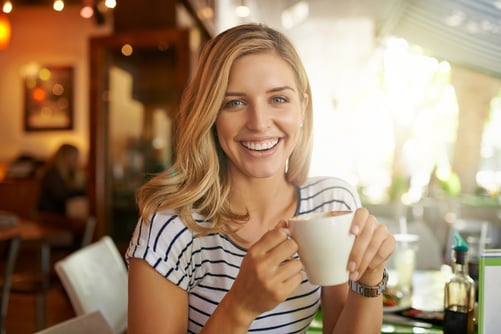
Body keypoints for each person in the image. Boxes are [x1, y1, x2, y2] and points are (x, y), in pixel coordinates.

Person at [126, 23, 396, 333]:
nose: (259, 123)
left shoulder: (332, 204)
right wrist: (241, 306)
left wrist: (370, 279)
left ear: (302, 108)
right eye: (235, 103)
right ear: (211, 115)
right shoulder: (172, 225)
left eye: (278, 99)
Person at [37, 143, 87, 237]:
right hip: (51, 217)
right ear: (64, 157)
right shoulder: (52, 174)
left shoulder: (71, 174)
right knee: (85, 224)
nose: (77, 160)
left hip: (64, 215)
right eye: (74, 157)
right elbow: (61, 196)